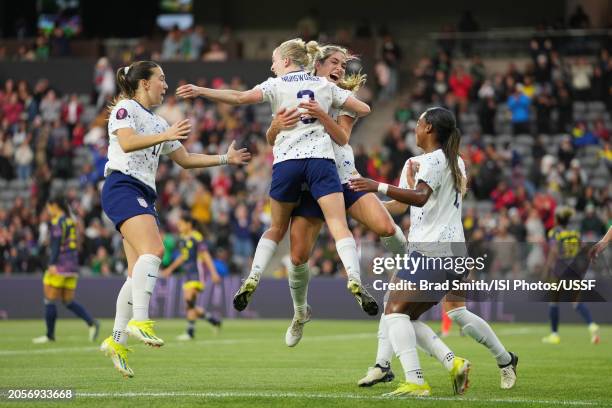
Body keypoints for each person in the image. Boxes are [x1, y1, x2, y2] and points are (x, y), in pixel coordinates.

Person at [176, 39, 376, 318]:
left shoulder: (276, 85)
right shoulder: (324, 85)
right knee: (337, 223)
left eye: (273, 60)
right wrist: (330, 106)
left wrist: (201, 91)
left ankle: (253, 276)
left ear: (285, 61)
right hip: (320, 161)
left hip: (286, 163)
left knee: (276, 228)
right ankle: (354, 277)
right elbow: (364, 109)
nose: (271, 66)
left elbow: (238, 97)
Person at [99, 60, 251, 378]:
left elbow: (184, 159)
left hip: (141, 192)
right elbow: (126, 143)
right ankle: (140, 320)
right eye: (161, 79)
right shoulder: (125, 108)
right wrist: (165, 133)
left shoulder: (157, 122)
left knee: (134, 275)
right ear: (143, 83)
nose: (166, 85)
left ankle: (116, 340)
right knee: (154, 251)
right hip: (123, 185)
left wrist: (226, 158)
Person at [265, 43, 406, 347]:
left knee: (385, 226)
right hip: (309, 182)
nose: (341, 68)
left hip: (342, 176)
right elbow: (274, 139)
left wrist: (321, 113)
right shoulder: (293, 91)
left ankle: (412, 267)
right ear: (316, 64)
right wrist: (275, 126)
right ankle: (300, 313)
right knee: (299, 255)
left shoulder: (342, 99)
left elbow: (342, 137)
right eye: (334, 62)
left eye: (343, 64)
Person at [349, 107, 475, 396]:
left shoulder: (432, 160)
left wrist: (376, 186)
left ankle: (415, 380)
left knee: (393, 312)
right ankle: (452, 363)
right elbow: (411, 202)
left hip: (431, 250)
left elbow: (418, 198)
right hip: (451, 251)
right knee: (405, 317)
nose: (414, 128)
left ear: (429, 128)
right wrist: (367, 209)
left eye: (418, 123)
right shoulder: (453, 160)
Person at [33, 197, 100, 344]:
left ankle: (50, 335)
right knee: (67, 301)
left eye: (49, 207)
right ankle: (91, 322)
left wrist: (51, 263)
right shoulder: (71, 220)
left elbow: (56, 245)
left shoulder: (57, 221)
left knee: (49, 300)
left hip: (60, 265)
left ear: (54, 206)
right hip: (72, 266)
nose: (48, 210)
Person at [542, 207, 600, 345]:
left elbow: (554, 251)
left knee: (554, 301)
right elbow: (584, 247)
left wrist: (547, 269)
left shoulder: (554, 232)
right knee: (576, 301)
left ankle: (554, 335)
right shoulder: (575, 233)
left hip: (560, 269)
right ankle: (592, 325)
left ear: (557, 219)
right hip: (574, 269)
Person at [161, 214, 222, 340]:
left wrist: (214, 272)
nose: (179, 227)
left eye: (181, 224)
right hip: (188, 274)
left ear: (189, 225)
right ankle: (213, 320)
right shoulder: (183, 238)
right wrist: (170, 269)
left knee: (189, 300)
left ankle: (190, 332)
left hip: (198, 273)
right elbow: (183, 257)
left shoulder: (196, 238)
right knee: (189, 304)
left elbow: (205, 256)